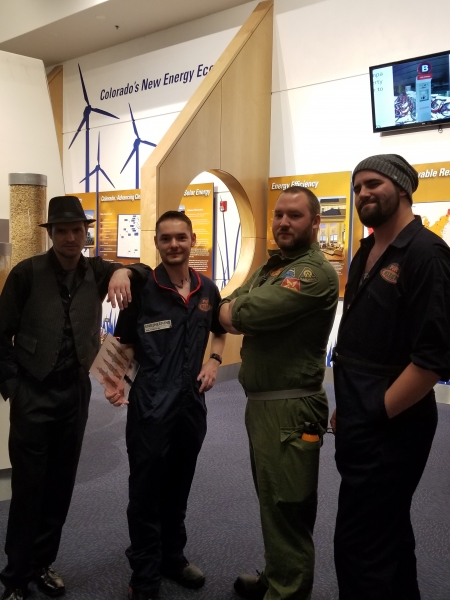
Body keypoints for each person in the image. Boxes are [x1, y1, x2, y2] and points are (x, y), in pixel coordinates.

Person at [0, 196, 138, 600]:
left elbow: (145, 274)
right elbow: (1, 334)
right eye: (62, 230)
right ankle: (15, 576)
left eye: (77, 230)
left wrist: (124, 270)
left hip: (74, 394)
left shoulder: (97, 270)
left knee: (60, 487)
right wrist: (13, 387)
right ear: (52, 234)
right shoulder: (26, 273)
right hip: (33, 393)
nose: (70, 237)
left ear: (86, 233)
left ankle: (43, 563)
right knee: (28, 489)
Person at [331, 154, 450, 600]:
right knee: (389, 536)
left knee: (360, 548)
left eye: (373, 183)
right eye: (357, 186)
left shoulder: (427, 254)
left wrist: (375, 413)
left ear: (402, 188)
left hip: (393, 426)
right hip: (363, 414)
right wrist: (351, 407)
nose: (362, 193)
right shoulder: (366, 251)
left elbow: (433, 358)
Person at [219, 186, 339, 600]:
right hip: (264, 406)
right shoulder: (274, 267)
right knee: (272, 501)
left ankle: (288, 592)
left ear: (316, 222)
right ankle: (277, 576)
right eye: (279, 215)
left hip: (291, 408)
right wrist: (233, 309)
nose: (284, 222)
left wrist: (234, 311)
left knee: (289, 506)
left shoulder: (313, 274)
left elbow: (244, 312)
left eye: (295, 215)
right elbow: (233, 302)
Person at [105, 211, 226, 600]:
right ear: (157, 243)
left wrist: (214, 360)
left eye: (181, 237)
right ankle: (144, 575)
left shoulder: (207, 289)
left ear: (192, 241)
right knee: (145, 492)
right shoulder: (143, 290)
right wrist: (113, 381)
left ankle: (172, 557)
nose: (174, 245)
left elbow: (220, 331)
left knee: (179, 486)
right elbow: (123, 343)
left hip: (191, 406)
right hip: (151, 405)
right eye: (166, 238)